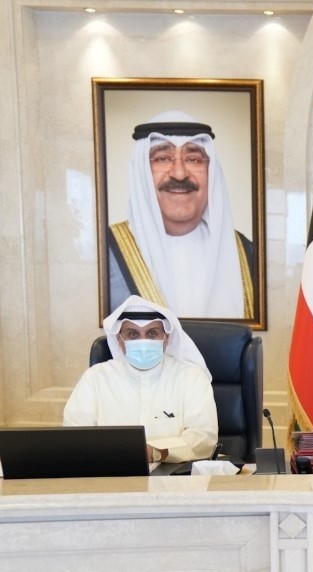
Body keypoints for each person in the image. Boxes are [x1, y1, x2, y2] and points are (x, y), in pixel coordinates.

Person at [105, 111, 256, 319]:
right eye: (162, 158)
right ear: (142, 171)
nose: (179, 173)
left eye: (193, 159)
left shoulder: (249, 255)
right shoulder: (105, 254)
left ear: (211, 171)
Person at [64, 296, 219, 463]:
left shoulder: (191, 377)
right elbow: (75, 435)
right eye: (133, 334)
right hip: (110, 472)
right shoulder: (95, 378)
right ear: (119, 340)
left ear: (166, 338)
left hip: (174, 474)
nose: (143, 341)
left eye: (152, 333)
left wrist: (156, 452)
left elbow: (204, 436)